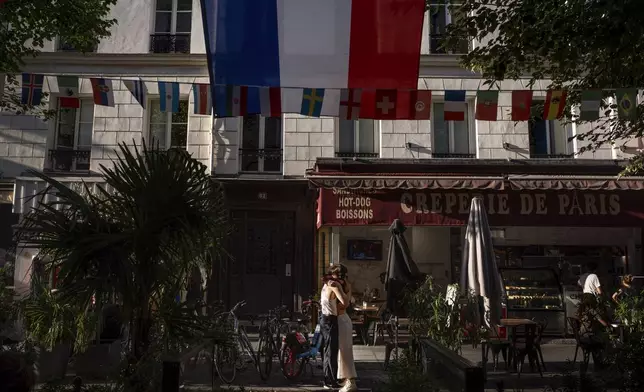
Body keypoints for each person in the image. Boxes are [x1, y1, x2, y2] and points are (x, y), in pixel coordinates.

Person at [320, 265, 350, 389]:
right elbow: (345, 302)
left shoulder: (326, 284)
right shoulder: (335, 285)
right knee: (331, 351)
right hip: (330, 320)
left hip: (323, 318)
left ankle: (329, 379)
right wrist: (345, 290)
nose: (341, 278)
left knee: (327, 350)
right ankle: (330, 381)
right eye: (340, 275)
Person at [335, 267, 358, 392]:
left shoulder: (339, 285)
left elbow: (345, 303)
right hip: (343, 319)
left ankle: (350, 381)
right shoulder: (345, 284)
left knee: (344, 352)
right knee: (343, 351)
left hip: (342, 320)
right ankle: (346, 380)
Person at [577, 293, 611, 370]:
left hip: (581, 337)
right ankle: (600, 363)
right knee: (605, 339)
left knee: (597, 340)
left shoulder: (580, 310)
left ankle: (598, 363)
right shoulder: (592, 310)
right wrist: (609, 325)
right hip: (589, 337)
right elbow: (603, 323)